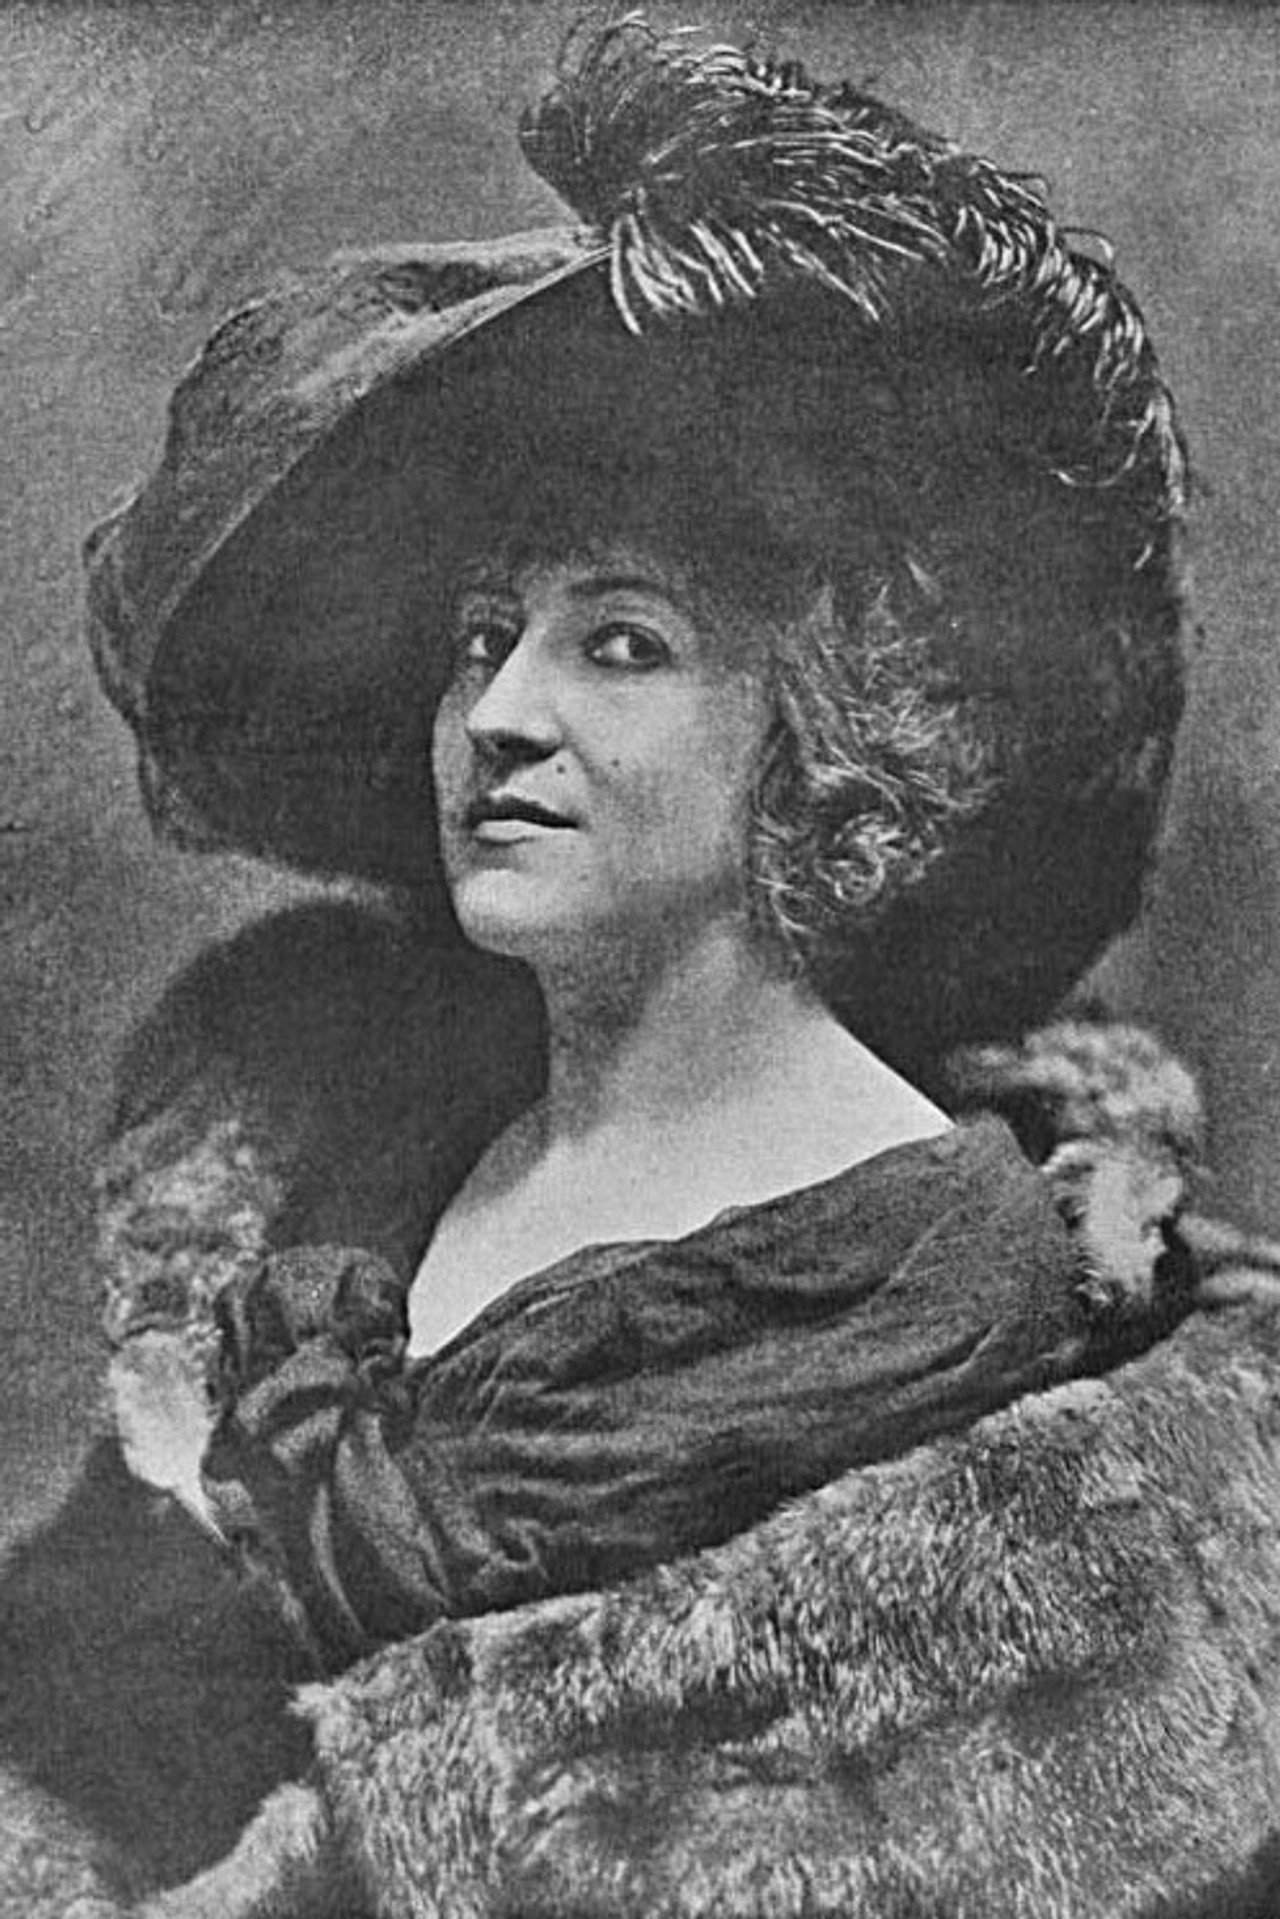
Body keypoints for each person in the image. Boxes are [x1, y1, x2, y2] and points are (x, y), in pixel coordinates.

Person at [9, 16, 1280, 1918]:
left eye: (621, 644)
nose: (498, 716)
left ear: (824, 731)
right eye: (481, 636)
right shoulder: (340, 1175)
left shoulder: (939, 1280)